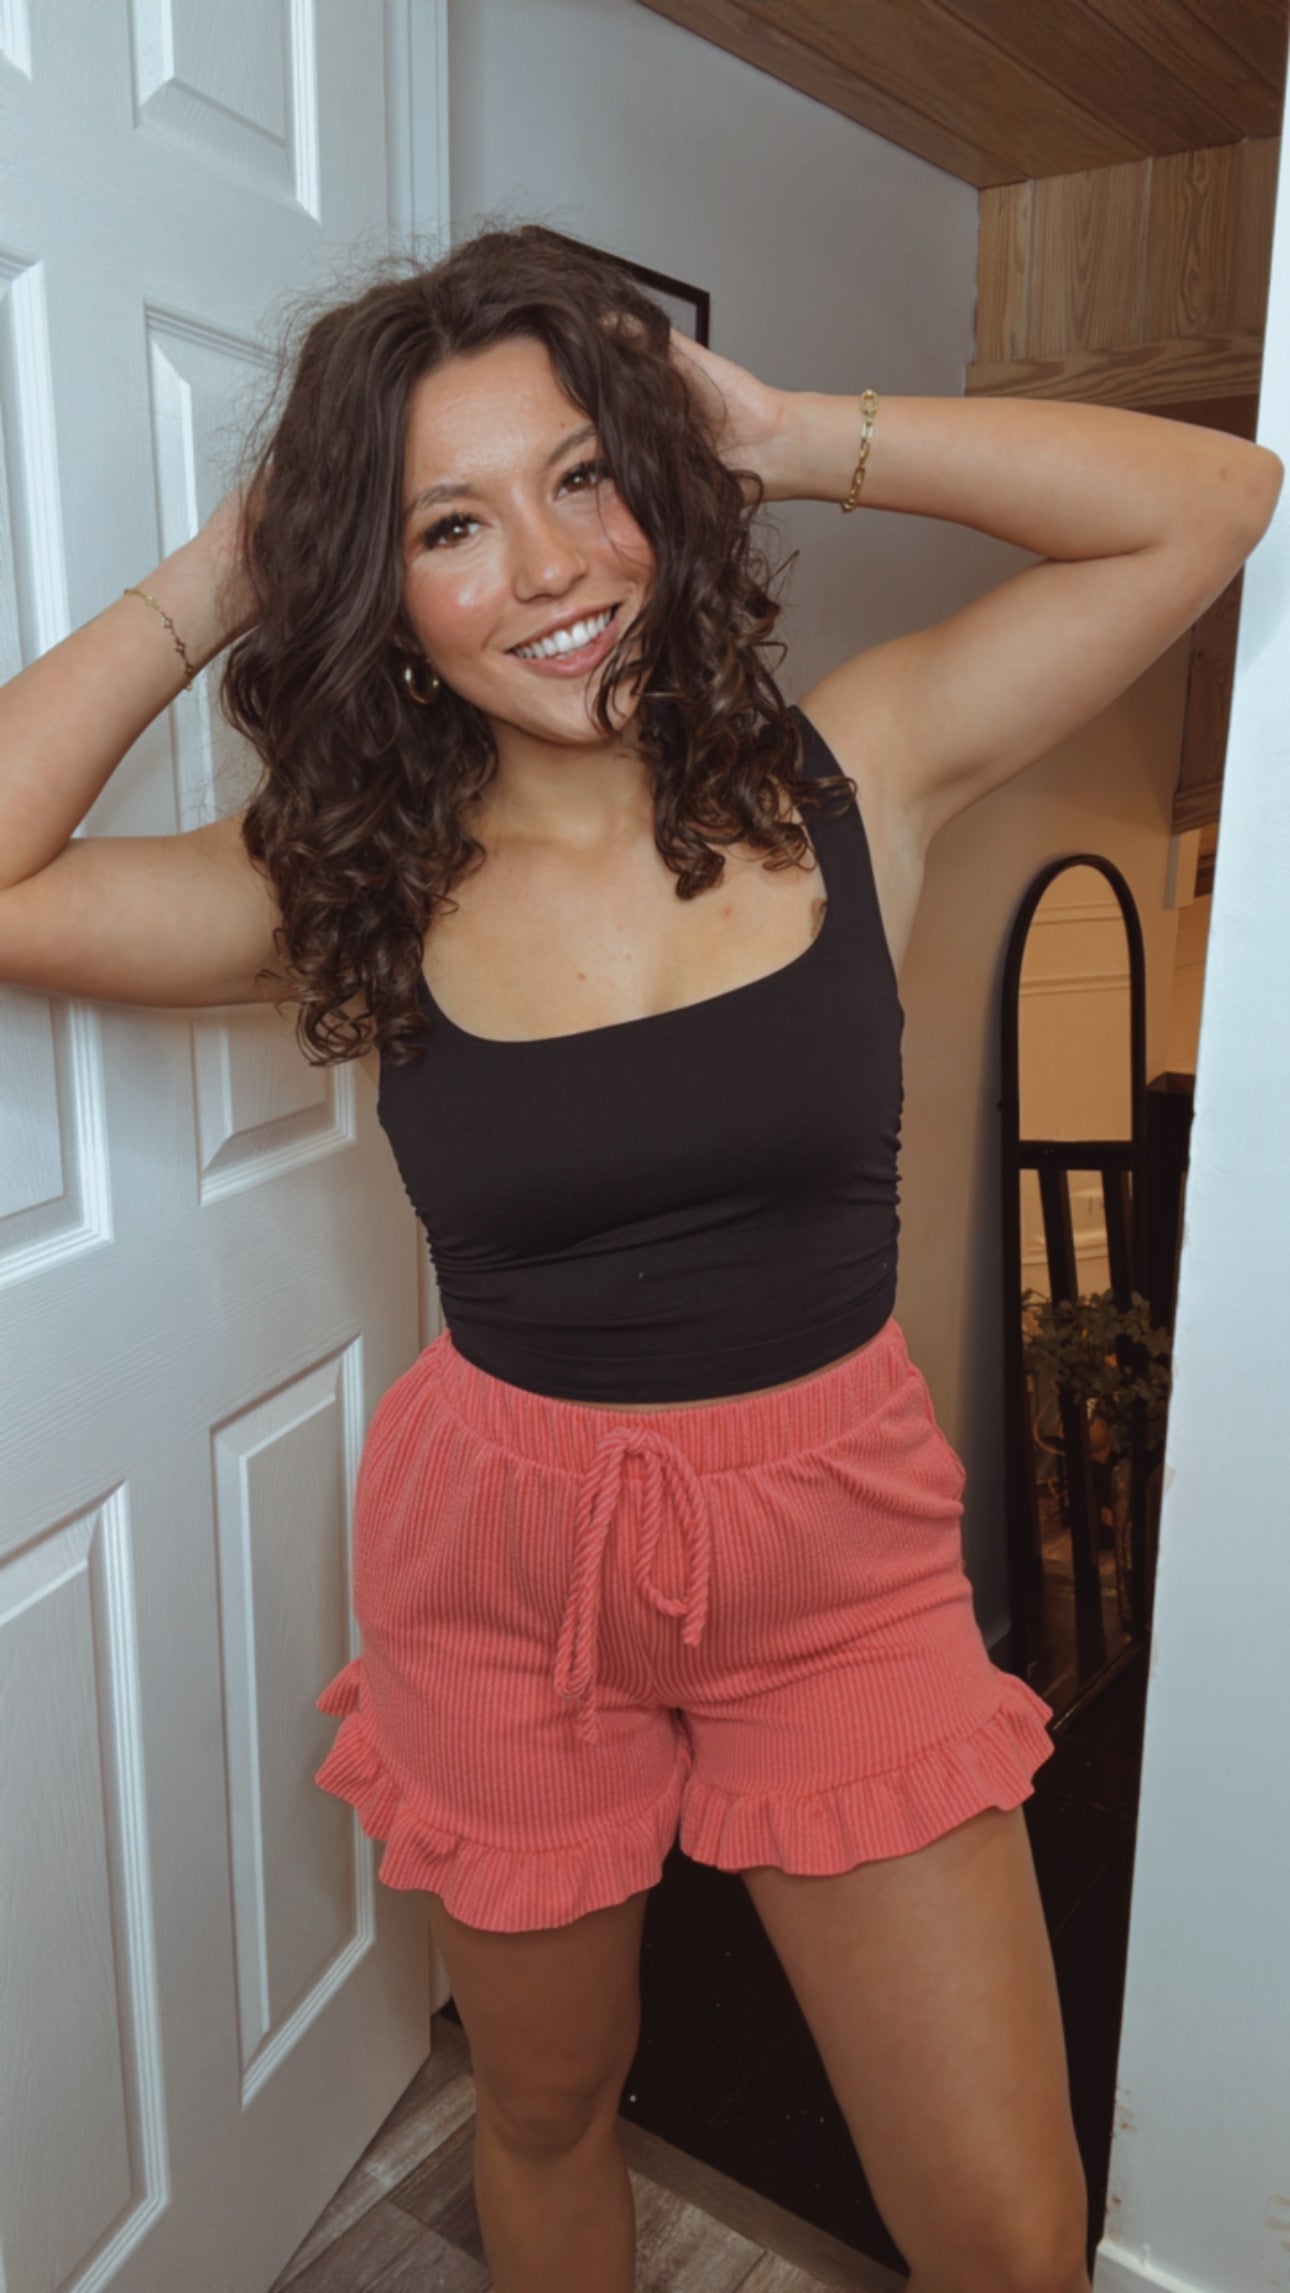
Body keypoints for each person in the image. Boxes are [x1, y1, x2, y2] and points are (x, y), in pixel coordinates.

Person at [0, 224, 1279, 2293]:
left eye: (584, 477)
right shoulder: (350, 884)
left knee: (1013, 2233)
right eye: (450, 525)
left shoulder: (851, 774)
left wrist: (791, 432)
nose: (550, 567)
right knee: (543, 2104)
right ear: (382, 587)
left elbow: (1213, 500)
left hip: (834, 1556)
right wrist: (236, 562)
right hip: (501, 1562)